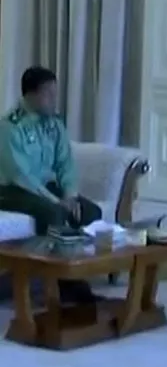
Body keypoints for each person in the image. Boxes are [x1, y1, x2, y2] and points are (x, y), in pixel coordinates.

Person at [0, 66, 103, 302]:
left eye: (55, 93)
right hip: (11, 189)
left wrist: (70, 195)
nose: (54, 99)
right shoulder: (10, 127)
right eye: (48, 94)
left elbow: (65, 163)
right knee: (53, 213)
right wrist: (57, 201)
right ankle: (59, 281)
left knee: (90, 212)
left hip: (45, 187)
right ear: (31, 95)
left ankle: (75, 270)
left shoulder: (54, 124)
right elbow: (20, 176)